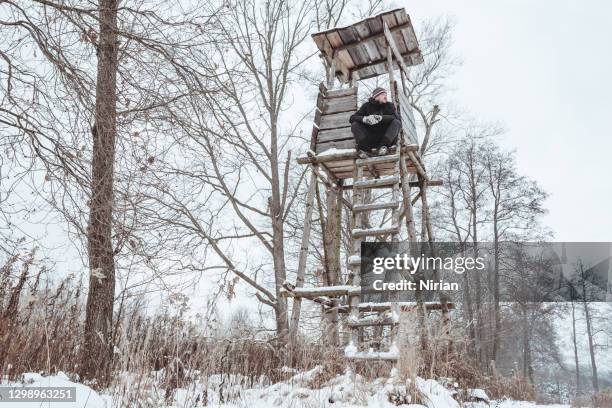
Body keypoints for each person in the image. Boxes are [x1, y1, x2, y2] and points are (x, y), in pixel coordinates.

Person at [349, 87, 401, 158]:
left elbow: (396, 117)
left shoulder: (389, 105)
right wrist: (365, 119)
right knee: (355, 125)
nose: (385, 96)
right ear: (376, 96)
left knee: (397, 122)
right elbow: (352, 118)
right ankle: (366, 151)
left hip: (386, 138)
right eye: (383, 94)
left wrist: (381, 118)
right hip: (370, 139)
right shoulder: (366, 106)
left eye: (386, 94)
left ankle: (382, 148)